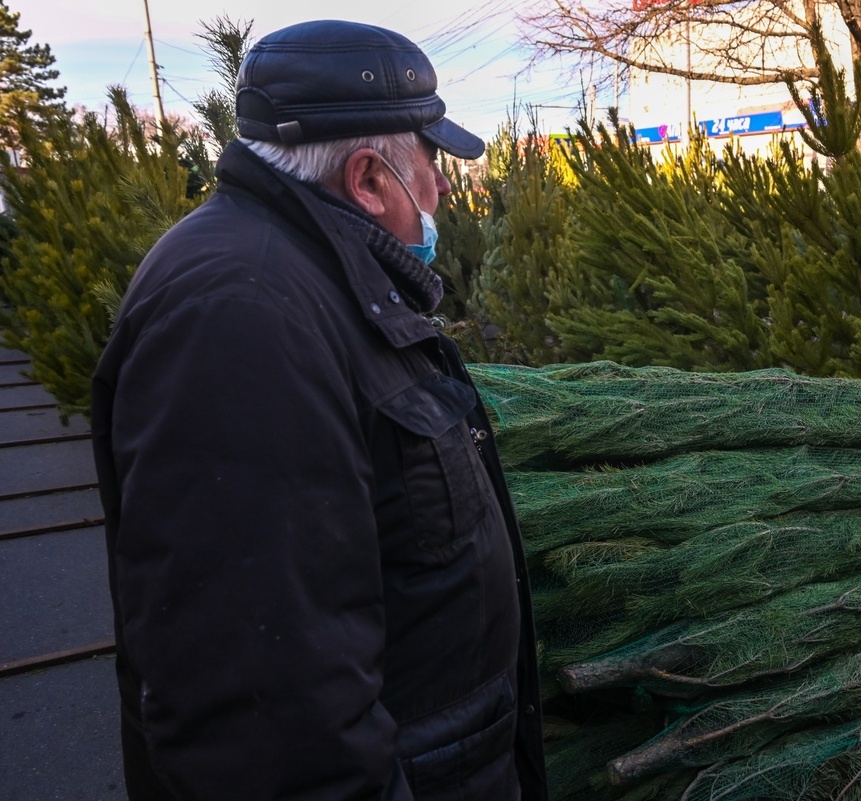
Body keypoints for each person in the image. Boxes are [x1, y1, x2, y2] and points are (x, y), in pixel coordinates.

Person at [91, 20, 547, 801]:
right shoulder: (242, 318)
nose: (442, 189)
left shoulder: (307, 278)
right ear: (368, 179)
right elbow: (270, 725)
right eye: (432, 162)